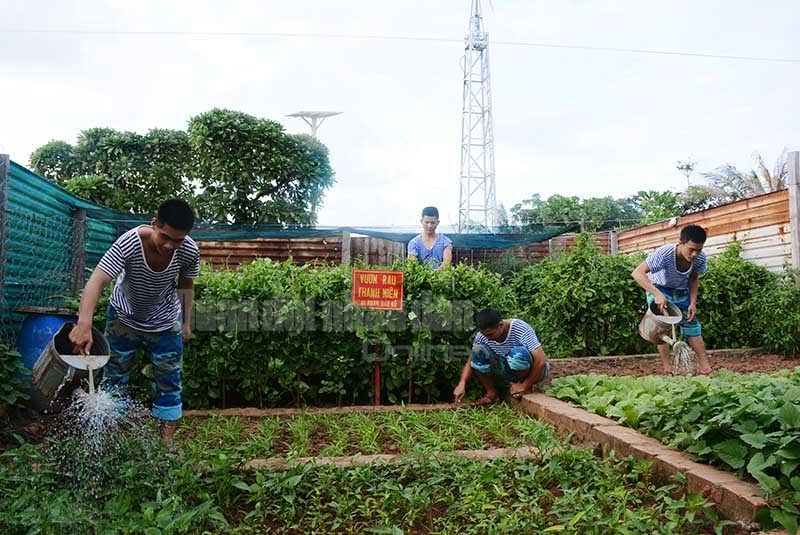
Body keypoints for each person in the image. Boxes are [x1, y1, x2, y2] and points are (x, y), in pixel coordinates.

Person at [69, 198, 200, 442]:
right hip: (124, 317)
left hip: (165, 320)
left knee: (169, 380)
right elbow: (97, 280)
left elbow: (186, 285)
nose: (171, 245)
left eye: (178, 240)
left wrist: (185, 322)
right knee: (115, 376)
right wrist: (84, 323)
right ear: (154, 224)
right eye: (165, 237)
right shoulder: (129, 243)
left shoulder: (189, 250)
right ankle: (113, 435)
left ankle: (166, 444)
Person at [631, 224, 713, 376]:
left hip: (681, 290)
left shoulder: (700, 258)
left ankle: (705, 368)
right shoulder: (665, 254)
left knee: (692, 324)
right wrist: (656, 294)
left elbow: (694, 278)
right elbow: (637, 273)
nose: (695, 254)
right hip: (659, 287)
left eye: (699, 250)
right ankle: (668, 369)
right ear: (681, 243)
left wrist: (692, 302)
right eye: (691, 249)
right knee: (663, 326)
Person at [453, 307, 551, 406]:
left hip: (533, 370)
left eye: (490, 334)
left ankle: (523, 386)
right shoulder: (482, 336)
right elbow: (471, 361)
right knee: (477, 351)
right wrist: (462, 383)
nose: (488, 338)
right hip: (508, 368)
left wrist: (524, 385)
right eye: (485, 335)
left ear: (501, 325)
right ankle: (491, 394)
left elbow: (541, 361)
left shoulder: (520, 328)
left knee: (518, 353)